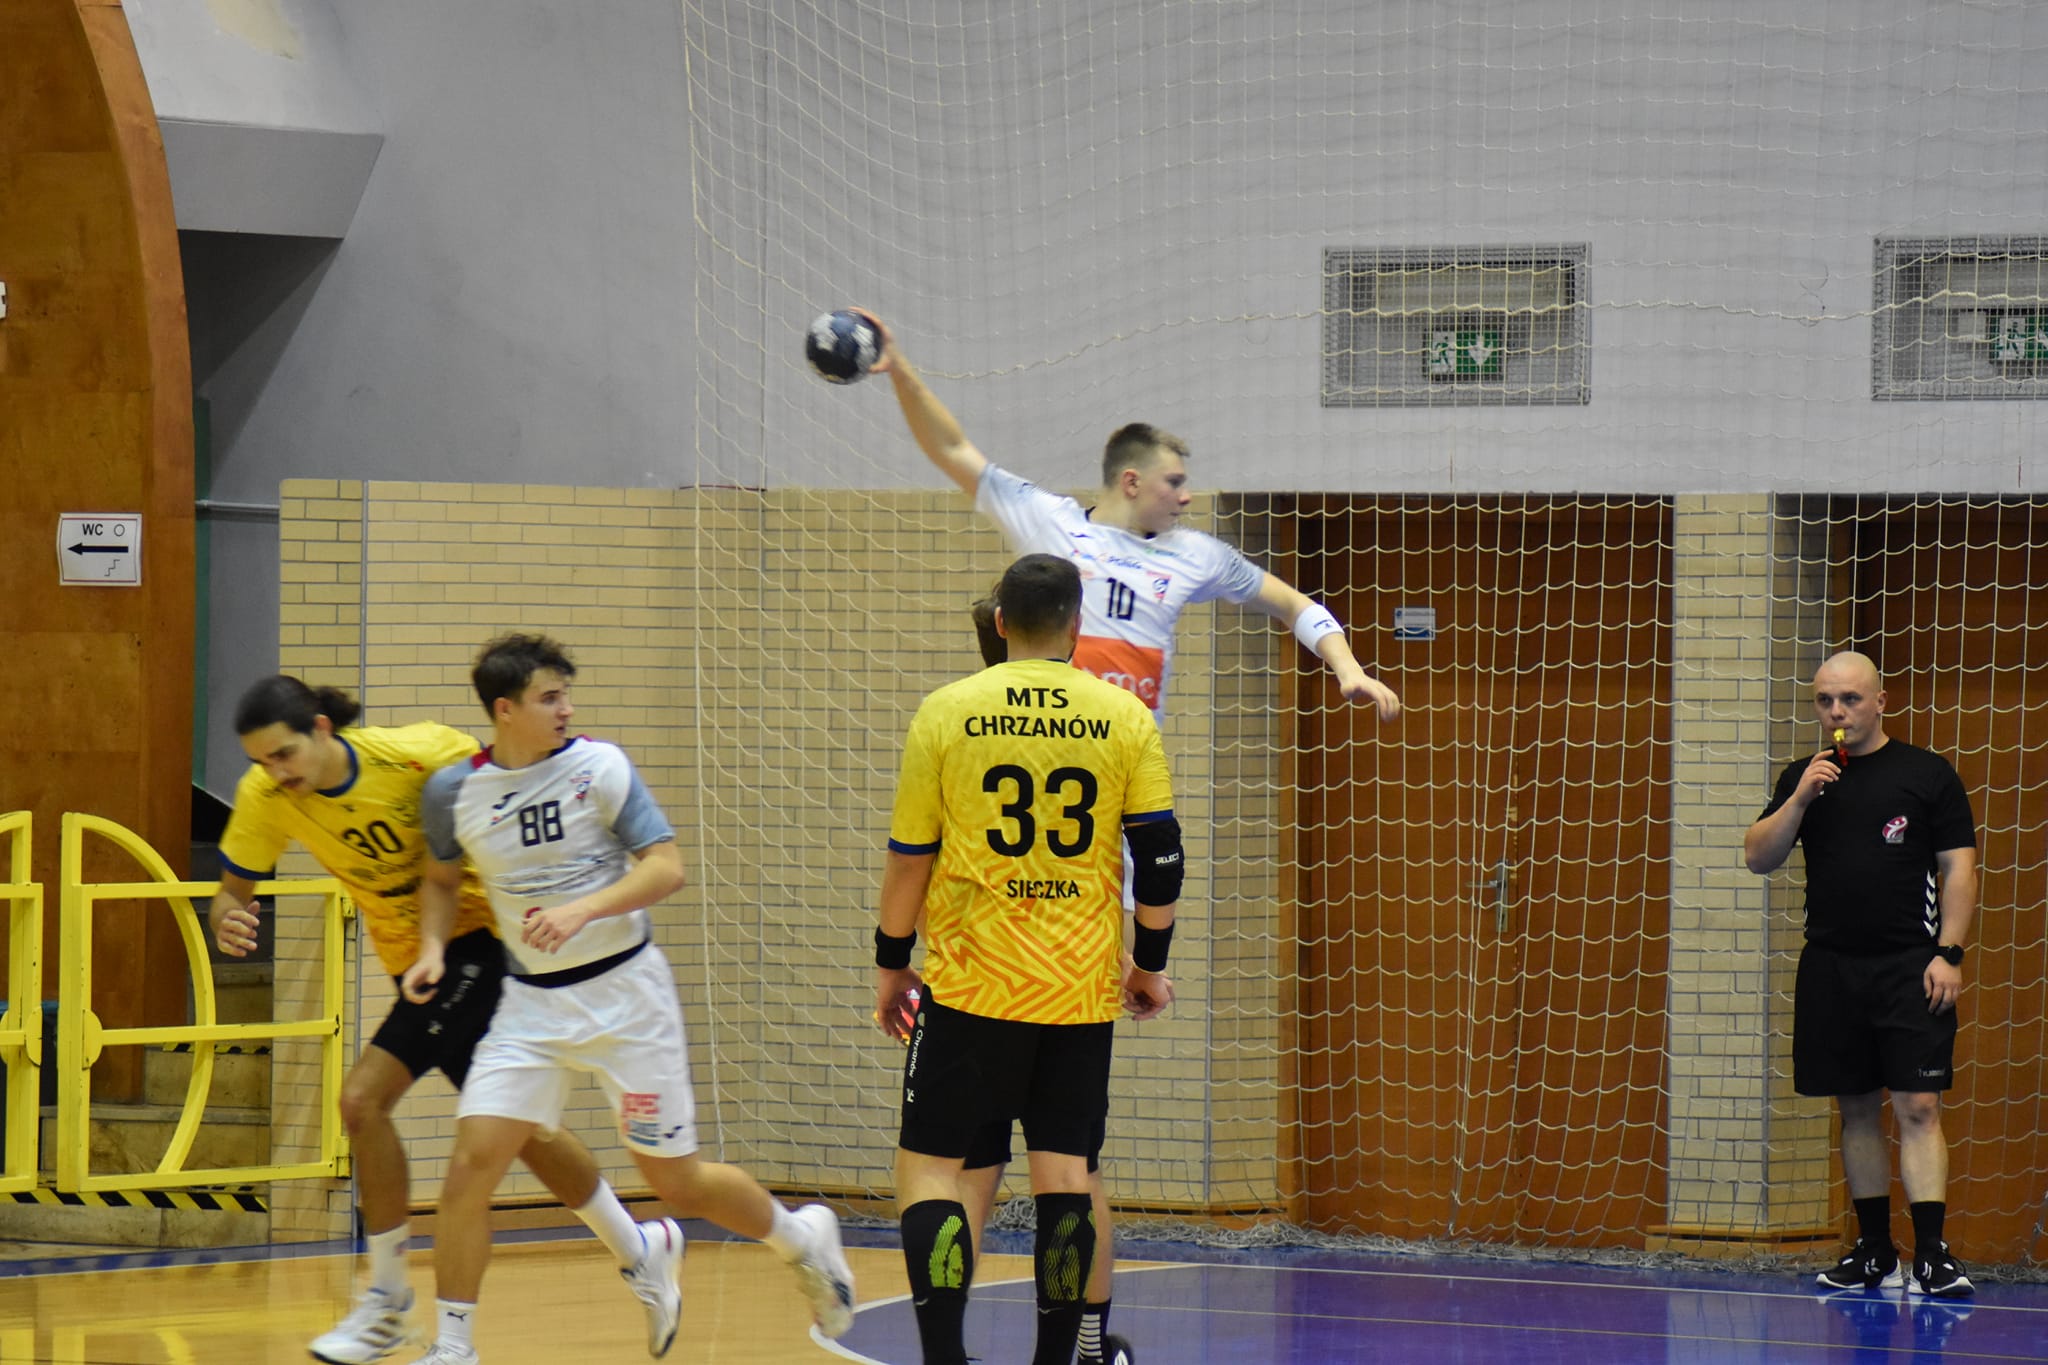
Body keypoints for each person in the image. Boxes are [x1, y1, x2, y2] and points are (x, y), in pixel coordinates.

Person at [864, 312, 1400, 1364]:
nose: (1189, 495)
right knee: (1050, 1158)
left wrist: (1345, 666)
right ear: (1128, 478)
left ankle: (1044, 1341)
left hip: (1076, 859)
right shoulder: (1047, 521)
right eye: (1176, 479)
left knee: (1011, 1155)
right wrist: (899, 368)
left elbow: (1297, 604)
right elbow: (950, 446)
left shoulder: (1193, 558)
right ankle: (1062, 1342)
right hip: (1070, 858)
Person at [400, 634, 856, 1364]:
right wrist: (431, 948)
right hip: (531, 1008)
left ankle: (802, 1239)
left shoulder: (600, 766)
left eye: (566, 695)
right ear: (504, 709)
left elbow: (666, 868)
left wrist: (582, 909)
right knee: (470, 1164)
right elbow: (441, 880)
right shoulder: (453, 791)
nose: (566, 709)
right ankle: (453, 1348)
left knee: (678, 1184)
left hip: (626, 997)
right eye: (550, 698)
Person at [212, 676, 680, 1364]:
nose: (274, 773)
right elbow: (232, 891)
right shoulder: (266, 796)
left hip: (485, 942)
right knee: (526, 1134)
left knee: (362, 1100)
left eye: (283, 754)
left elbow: (519, 777)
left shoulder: (420, 754)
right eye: (260, 762)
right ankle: (640, 1248)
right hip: (418, 962)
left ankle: (388, 1301)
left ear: (321, 729)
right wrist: (227, 916)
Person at [873, 554, 1182, 1365]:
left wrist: (891, 961)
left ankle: (945, 1357)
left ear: (1002, 620)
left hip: (972, 983)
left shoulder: (946, 711)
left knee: (932, 1172)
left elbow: (909, 857)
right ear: (1077, 625)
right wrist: (1148, 964)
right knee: (1066, 1175)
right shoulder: (1123, 715)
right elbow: (1160, 859)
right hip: (1077, 988)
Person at [1743, 650, 1978, 1299]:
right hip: (1831, 965)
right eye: (1825, 700)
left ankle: (1931, 1255)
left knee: (1919, 1104)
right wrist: (1800, 797)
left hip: (1911, 966)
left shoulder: (1926, 774)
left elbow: (1959, 868)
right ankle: (1875, 1249)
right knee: (1855, 1108)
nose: (1837, 711)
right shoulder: (1805, 777)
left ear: (1880, 701)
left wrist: (1949, 952)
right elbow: (1758, 856)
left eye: (1849, 698)